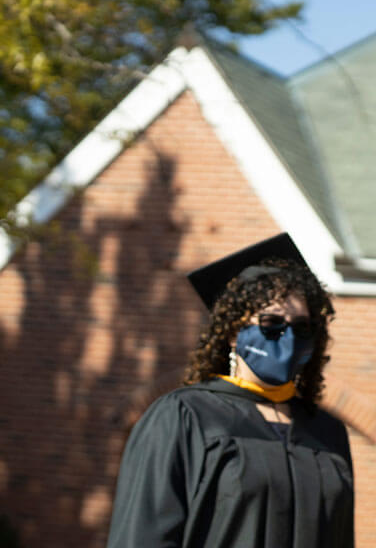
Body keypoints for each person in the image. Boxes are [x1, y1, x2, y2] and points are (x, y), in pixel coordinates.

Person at [107, 233, 354, 548]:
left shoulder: (327, 431)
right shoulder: (186, 417)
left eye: (302, 327)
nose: (289, 338)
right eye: (272, 323)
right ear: (234, 332)